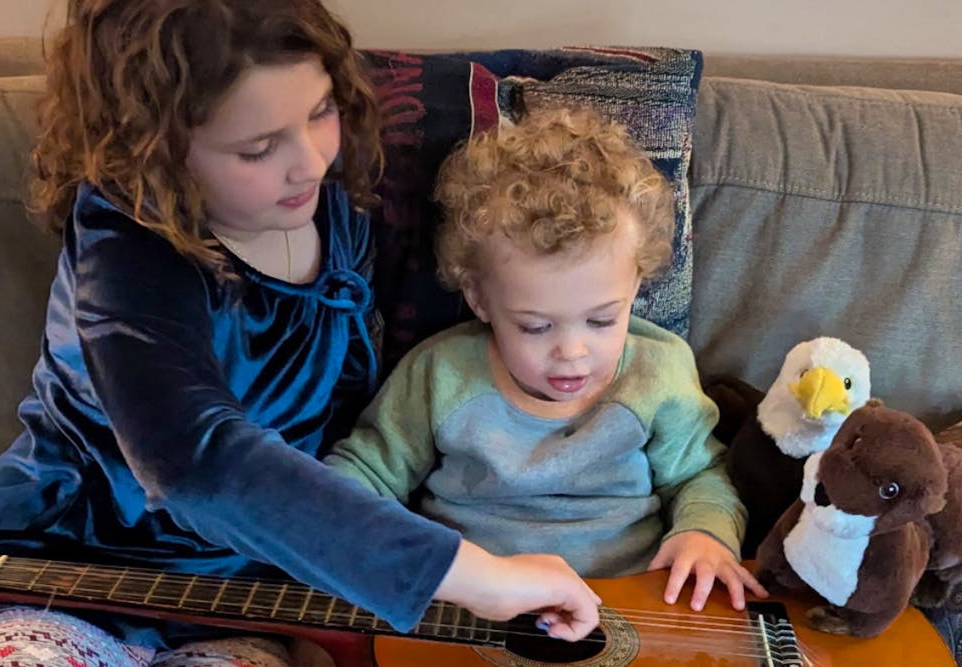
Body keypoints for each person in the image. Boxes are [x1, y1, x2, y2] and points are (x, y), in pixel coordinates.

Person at [0, 1, 597, 665]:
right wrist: (474, 574)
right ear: (154, 152)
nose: (310, 162)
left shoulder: (340, 196)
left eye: (319, 112)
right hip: (72, 553)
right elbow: (195, 457)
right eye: (256, 147)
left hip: (258, 582)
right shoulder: (125, 237)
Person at [324, 107, 766, 613]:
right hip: (473, 614)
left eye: (601, 321)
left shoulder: (657, 371)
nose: (572, 354)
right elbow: (364, 474)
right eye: (535, 327)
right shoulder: (441, 373)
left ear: (637, 284)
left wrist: (705, 534)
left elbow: (700, 476)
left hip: (626, 611)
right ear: (479, 299)